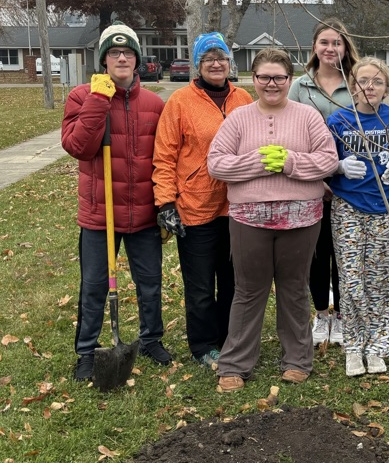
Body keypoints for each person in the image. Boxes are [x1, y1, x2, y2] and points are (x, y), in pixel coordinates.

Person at [207, 48, 339, 391]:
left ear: (289, 80)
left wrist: (290, 162)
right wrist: (258, 162)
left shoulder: (308, 117)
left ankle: (297, 359)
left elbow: (327, 161)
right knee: (249, 290)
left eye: (279, 77)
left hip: (301, 217)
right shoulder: (238, 119)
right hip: (248, 218)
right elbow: (217, 164)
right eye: (264, 77)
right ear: (253, 80)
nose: (271, 84)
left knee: (294, 288)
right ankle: (234, 362)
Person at [61, 23, 169, 381]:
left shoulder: (154, 104)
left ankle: (151, 339)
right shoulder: (81, 97)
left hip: (144, 214)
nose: (121, 58)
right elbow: (78, 147)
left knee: (150, 283)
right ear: (103, 60)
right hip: (99, 214)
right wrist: (98, 99)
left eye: (128, 53)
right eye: (113, 53)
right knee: (93, 287)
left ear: (137, 59)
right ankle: (87, 353)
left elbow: (165, 158)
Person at [152, 32, 253, 369]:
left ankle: (229, 339)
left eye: (221, 56)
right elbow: (164, 156)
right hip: (195, 208)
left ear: (229, 62)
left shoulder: (245, 100)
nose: (215, 62)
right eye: (208, 57)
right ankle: (203, 344)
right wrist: (166, 203)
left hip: (237, 206)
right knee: (199, 285)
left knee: (232, 280)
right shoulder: (181, 102)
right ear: (198, 63)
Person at [327, 58, 389, 377]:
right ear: (352, 85)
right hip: (347, 207)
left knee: (381, 279)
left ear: (386, 87)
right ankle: (353, 345)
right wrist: (339, 167)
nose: (369, 87)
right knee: (351, 278)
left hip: (383, 208)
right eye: (363, 80)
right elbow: (324, 161)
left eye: (376, 81)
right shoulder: (339, 120)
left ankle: (378, 346)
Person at [289, 19, 361, 346]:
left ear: (345, 48)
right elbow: (291, 133)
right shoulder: (300, 87)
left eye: (337, 43)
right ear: (314, 47)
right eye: (324, 42)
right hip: (310, 184)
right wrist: (318, 176)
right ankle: (321, 315)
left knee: (345, 254)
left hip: (351, 186)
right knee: (316, 255)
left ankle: (345, 318)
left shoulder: (357, 82)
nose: (331, 48)